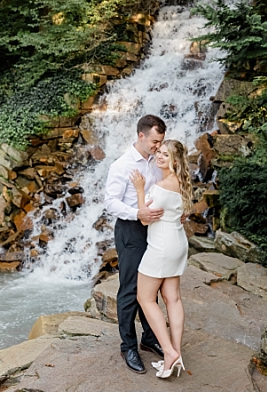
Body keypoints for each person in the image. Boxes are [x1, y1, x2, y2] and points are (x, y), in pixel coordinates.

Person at [104, 114, 167, 374]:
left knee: (150, 287)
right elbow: (110, 202)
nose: (158, 145)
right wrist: (136, 214)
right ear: (141, 135)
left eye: (161, 141)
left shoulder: (156, 160)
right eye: (154, 141)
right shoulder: (122, 165)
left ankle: (149, 337)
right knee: (130, 289)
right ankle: (128, 345)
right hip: (130, 230)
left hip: (153, 230)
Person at [130, 139, 193, 379]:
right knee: (172, 298)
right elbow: (182, 213)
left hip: (161, 246)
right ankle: (176, 352)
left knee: (145, 298)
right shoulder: (182, 183)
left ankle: (168, 352)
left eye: (165, 154)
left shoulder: (162, 186)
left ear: (175, 161)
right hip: (177, 243)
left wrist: (139, 188)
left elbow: (145, 218)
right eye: (159, 152)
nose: (159, 156)